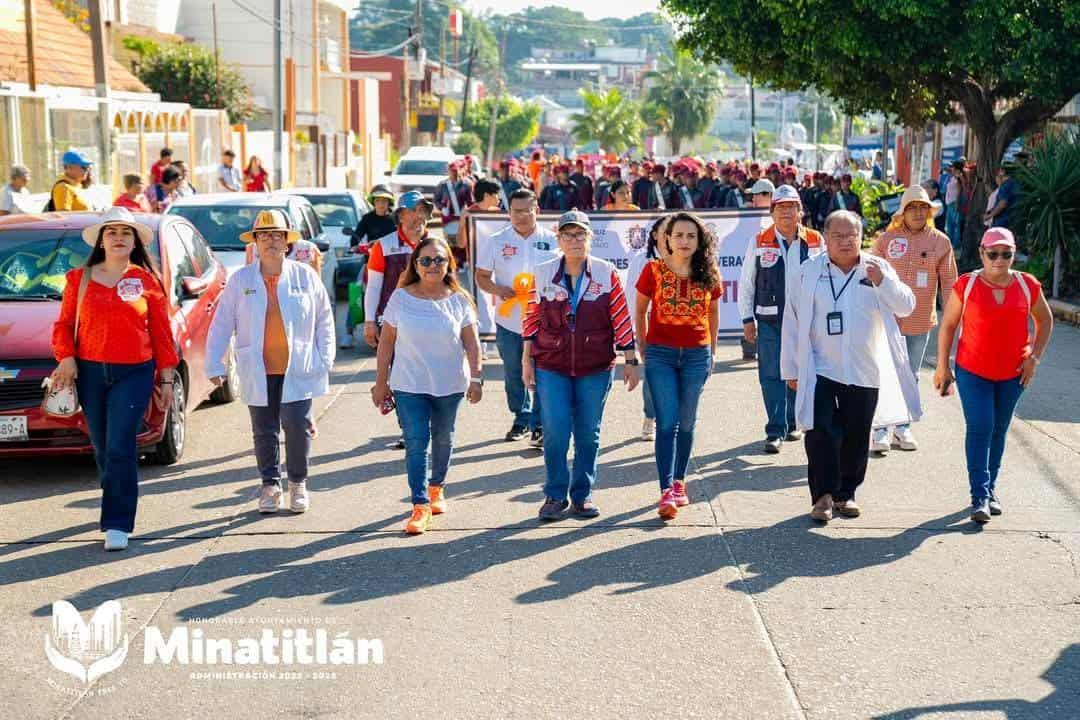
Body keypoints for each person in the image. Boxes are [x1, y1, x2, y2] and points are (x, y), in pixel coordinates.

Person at [49, 207, 178, 551]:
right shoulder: (79, 279)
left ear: (134, 240)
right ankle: (114, 498)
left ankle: (117, 522)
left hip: (134, 372)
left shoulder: (147, 281)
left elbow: (163, 333)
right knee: (104, 447)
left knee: (121, 446)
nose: (119, 238)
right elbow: (62, 325)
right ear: (102, 241)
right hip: (90, 372)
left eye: (125, 232)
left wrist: (166, 379)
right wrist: (66, 357)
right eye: (112, 232)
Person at [781, 210, 919, 523]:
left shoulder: (877, 268)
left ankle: (847, 493)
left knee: (857, 435)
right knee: (820, 433)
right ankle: (823, 497)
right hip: (820, 367)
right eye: (838, 236)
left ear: (861, 237)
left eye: (851, 236)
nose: (845, 242)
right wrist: (791, 368)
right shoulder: (809, 271)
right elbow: (792, 319)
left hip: (863, 368)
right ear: (825, 238)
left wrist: (883, 283)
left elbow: (907, 306)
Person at [206, 209, 335, 515]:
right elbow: (222, 324)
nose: (271, 241)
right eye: (264, 236)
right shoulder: (241, 280)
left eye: (277, 235)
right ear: (255, 243)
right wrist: (214, 363)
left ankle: (298, 483)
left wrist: (325, 356)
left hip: (298, 366)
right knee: (264, 430)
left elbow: (324, 319)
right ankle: (270, 485)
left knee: (297, 425)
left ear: (287, 241)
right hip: (258, 367)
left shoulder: (305, 276)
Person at [523, 211, 640, 521]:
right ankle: (554, 494)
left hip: (596, 364)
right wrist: (526, 360)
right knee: (556, 431)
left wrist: (630, 359)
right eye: (568, 235)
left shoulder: (606, 272)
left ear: (590, 238)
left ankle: (582, 494)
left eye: (580, 235)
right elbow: (531, 318)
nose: (574, 240)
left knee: (588, 433)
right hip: (551, 363)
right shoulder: (543, 272)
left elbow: (621, 317)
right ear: (558, 239)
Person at [933, 228, 1054, 524]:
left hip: (1013, 374)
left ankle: (991, 489)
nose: (1000, 260)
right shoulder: (967, 284)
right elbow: (948, 325)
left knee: (999, 429)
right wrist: (942, 365)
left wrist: (1034, 359)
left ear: (1013, 254)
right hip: (973, 371)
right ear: (981, 253)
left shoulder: (1027, 285)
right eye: (993, 254)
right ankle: (979, 496)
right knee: (980, 426)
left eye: (1006, 254)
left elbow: (1045, 321)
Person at [371, 237, 483, 535]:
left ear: (449, 264)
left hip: (450, 385)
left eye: (439, 260)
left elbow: (472, 344)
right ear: (415, 265)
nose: (433, 265)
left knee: (443, 438)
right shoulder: (400, 298)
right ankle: (420, 504)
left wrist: (476, 378)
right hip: (409, 384)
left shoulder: (459, 299)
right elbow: (386, 344)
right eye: (426, 260)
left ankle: (437, 488)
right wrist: (380, 383)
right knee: (417, 440)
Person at [634, 213, 722, 519]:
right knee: (667, 422)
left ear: (700, 241)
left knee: (687, 422)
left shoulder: (709, 271)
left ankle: (680, 481)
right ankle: (666, 490)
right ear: (666, 239)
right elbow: (641, 309)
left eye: (691, 236)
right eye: (679, 235)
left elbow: (713, 313)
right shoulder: (653, 270)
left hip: (697, 356)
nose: (684, 241)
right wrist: (642, 345)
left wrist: (712, 351)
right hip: (661, 355)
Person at [869, 185, 956, 453]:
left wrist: (954, 320)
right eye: (912, 208)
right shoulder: (886, 240)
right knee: (884, 372)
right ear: (903, 213)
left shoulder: (940, 241)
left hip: (920, 321)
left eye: (923, 208)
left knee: (911, 374)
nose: (918, 212)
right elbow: (868, 275)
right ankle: (881, 429)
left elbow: (950, 284)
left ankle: (903, 426)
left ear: (929, 212)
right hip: (886, 321)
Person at [739, 184, 825, 453]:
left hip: (806, 319)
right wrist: (746, 319)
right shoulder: (759, 240)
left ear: (800, 211)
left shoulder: (815, 240)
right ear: (772, 211)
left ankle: (793, 422)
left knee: (799, 370)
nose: (787, 212)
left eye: (792, 207)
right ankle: (774, 429)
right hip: (769, 320)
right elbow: (746, 283)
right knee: (770, 374)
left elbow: (825, 279)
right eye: (781, 207)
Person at [475, 188, 559, 446]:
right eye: (516, 211)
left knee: (543, 372)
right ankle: (521, 417)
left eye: (527, 210)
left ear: (537, 211)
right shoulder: (496, 240)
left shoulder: (553, 240)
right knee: (513, 373)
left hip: (544, 322)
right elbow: (481, 276)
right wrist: (499, 290)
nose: (521, 216)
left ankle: (539, 423)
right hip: (509, 321)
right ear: (508, 212)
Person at [363, 191, 433, 349]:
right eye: (412, 211)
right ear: (400, 217)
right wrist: (369, 322)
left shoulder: (438, 245)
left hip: (431, 320)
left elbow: (450, 284)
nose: (419, 215)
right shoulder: (383, 245)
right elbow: (373, 287)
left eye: (422, 210)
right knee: (396, 370)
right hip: (393, 322)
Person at [626, 217, 670, 441]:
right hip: (651, 322)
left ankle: (672, 420)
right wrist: (637, 335)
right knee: (654, 376)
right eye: (663, 231)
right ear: (654, 235)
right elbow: (632, 298)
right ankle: (650, 417)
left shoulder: (685, 258)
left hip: (680, 323)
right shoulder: (641, 260)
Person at [434, 161, 473, 253]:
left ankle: (462, 265)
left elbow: (471, 202)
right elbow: (436, 200)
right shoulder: (442, 185)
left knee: (462, 244)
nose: (454, 173)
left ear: (460, 170)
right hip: (448, 219)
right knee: (449, 245)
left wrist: (467, 210)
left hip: (462, 219)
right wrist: (442, 208)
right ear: (448, 171)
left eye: (456, 171)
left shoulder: (467, 184)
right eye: (452, 171)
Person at [985, 164, 1019, 230]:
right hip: (1012, 221)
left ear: (1003, 171)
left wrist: (990, 215)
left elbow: (1002, 204)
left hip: (1001, 222)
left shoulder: (1005, 186)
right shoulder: (1015, 184)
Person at [944, 160, 964, 249]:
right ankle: (949, 243)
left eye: (952, 167)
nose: (951, 169)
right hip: (949, 203)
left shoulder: (959, 177)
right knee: (949, 225)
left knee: (956, 225)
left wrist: (957, 202)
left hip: (954, 203)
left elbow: (960, 190)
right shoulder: (952, 177)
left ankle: (956, 245)